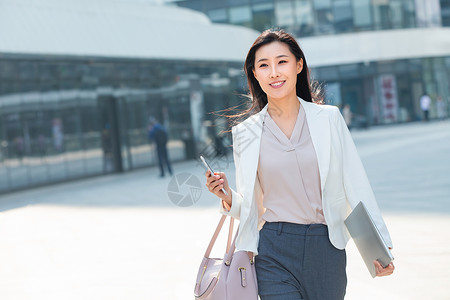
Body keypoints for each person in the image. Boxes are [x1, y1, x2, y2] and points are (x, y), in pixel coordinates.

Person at [204, 29, 394, 300]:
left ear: (298, 65)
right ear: (255, 75)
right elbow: (252, 206)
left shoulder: (328, 119)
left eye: (282, 61)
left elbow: (357, 183)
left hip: (326, 247)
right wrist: (226, 196)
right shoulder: (246, 133)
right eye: (263, 65)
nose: (274, 72)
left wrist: (380, 248)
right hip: (273, 248)